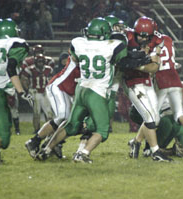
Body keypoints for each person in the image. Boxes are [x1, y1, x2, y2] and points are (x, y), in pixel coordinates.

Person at [36, 17, 131, 163]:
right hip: (97, 91)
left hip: (81, 88)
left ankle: (46, 150)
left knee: (71, 126)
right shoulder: (114, 45)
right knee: (102, 131)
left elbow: (74, 58)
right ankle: (82, 154)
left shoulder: (78, 42)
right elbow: (123, 61)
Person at [124, 16, 172, 162]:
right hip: (131, 81)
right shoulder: (126, 37)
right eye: (140, 35)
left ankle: (135, 142)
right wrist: (136, 61)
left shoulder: (158, 40)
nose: (143, 40)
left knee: (155, 119)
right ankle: (155, 152)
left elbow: (154, 68)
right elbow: (122, 62)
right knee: (149, 117)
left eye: (147, 37)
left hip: (146, 80)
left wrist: (137, 63)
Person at [0, 19, 32, 164]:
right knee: (4, 139)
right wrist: (21, 91)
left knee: (6, 124)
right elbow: (11, 66)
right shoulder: (15, 43)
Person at [25, 55, 80, 159]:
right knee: (63, 116)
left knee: (71, 120)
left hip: (69, 92)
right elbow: (72, 53)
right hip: (58, 87)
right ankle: (34, 141)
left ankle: (52, 144)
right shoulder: (78, 55)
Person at [20, 53, 54, 134]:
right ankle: (36, 130)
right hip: (35, 92)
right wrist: (27, 89)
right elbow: (23, 79)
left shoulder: (48, 69)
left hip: (45, 92)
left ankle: (49, 130)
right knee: (36, 113)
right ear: (35, 62)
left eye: (42, 62)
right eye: (39, 62)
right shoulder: (30, 69)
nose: (41, 63)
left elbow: (52, 79)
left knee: (49, 113)